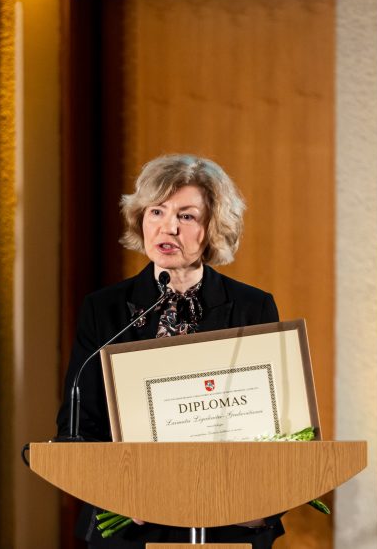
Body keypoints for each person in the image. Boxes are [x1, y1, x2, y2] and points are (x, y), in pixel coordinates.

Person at [55, 154, 284, 548]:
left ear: (214, 227)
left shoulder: (253, 308)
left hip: (224, 520)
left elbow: (279, 428)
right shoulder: (104, 310)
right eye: (156, 211)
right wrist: (119, 491)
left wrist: (258, 504)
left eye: (187, 215)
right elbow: (78, 427)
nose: (168, 226)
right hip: (131, 524)